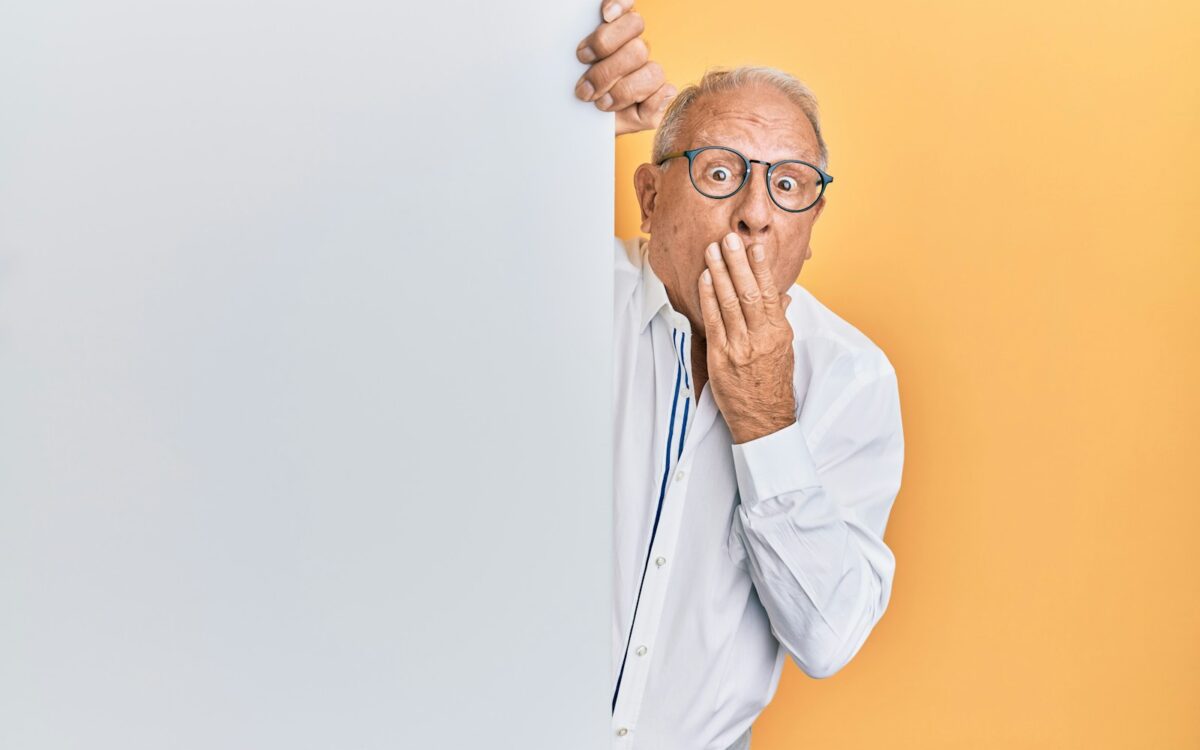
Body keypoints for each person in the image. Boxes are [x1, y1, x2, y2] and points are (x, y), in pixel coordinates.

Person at [575, 4, 905, 749]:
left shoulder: (851, 377)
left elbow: (829, 636)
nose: (755, 214)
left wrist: (765, 421)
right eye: (720, 172)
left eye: (790, 186)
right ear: (651, 198)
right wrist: (552, 115)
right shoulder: (566, 300)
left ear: (810, 231)